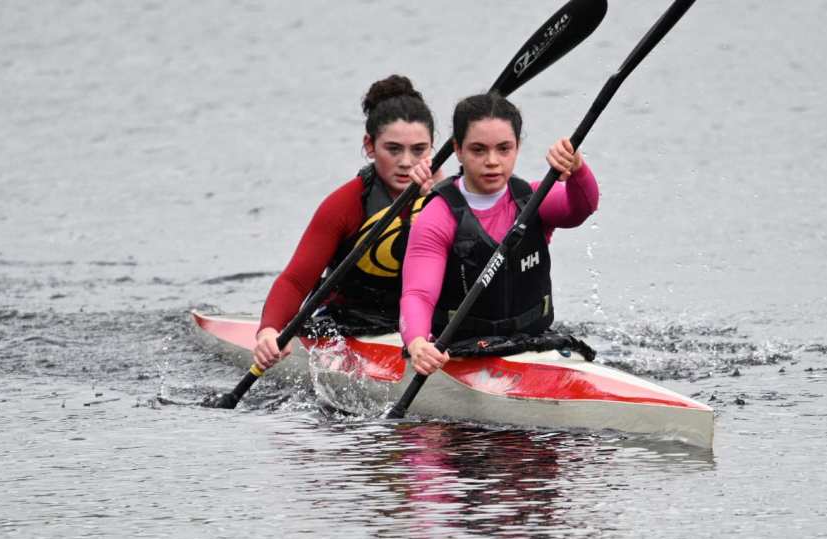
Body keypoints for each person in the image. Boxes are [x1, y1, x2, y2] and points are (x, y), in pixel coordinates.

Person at [401, 92, 599, 376]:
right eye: (478, 150)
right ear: (458, 149)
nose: (492, 161)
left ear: (517, 147)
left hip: (533, 342)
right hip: (461, 350)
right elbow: (418, 294)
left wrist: (578, 168)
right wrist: (418, 343)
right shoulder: (438, 216)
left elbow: (582, 208)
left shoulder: (533, 199)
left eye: (504, 149)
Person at [252, 75, 440, 370]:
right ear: (370, 146)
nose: (406, 162)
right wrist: (269, 331)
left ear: (432, 148)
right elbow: (295, 281)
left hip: (424, 327)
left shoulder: (448, 197)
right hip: (350, 325)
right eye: (393, 149)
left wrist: (443, 198)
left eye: (419, 150)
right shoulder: (345, 204)